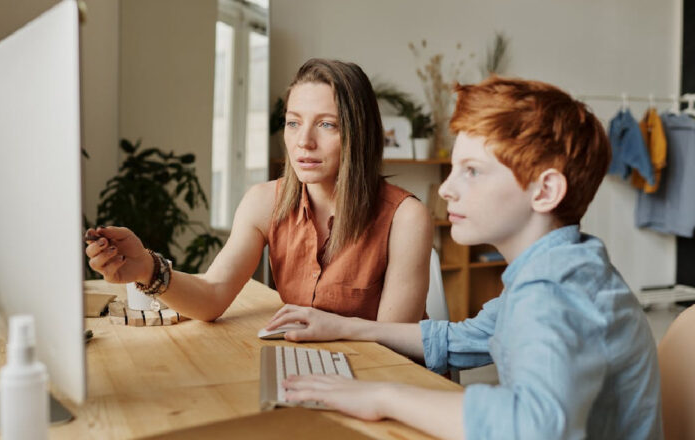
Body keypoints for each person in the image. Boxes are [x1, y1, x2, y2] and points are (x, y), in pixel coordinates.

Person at [266, 77, 663, 440]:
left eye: (472, 171)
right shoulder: (562, 266)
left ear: (544, 192)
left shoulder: (553, 291)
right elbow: (459, 338)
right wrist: (343, 326)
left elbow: (533, 425)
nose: (447, 190)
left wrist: (383, 396)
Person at [85, 58, 433, 323]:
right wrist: (147, 267)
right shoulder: (264, 202)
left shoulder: (406, 218)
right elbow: (212, 295)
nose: (303, 142)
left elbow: (393, 347)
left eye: (327, 125)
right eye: (293, 122)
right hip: (313, 371)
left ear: (360, 134)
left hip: (384, 383)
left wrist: (322, 331)